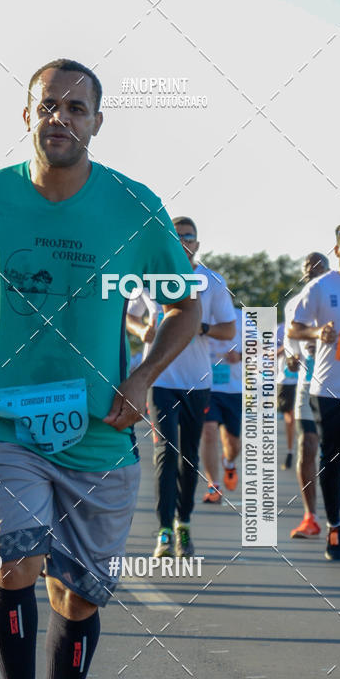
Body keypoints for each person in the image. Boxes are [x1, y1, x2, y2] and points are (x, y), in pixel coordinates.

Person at [0, 59, 200, 679]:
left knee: (76, 598)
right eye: (48, 105)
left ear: (96, 123)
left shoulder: (132, 207)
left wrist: (141, 379)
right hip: (7, 424)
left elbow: (185, 307)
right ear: (26, 115)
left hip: (97, 435)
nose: (61, 118)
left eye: (77, 108)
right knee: (15, 561)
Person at [127, 216, 235, 555]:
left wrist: (197, 327)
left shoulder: (211, 282)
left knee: (188, 457)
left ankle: (183, 524)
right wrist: (140, 329)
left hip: (197, 381)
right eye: (177, 236)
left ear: (197, 244)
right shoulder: (152, 278)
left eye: (188, 237)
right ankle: (162, 530)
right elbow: (128, 315)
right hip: (160, 379)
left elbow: (229, 331)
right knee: (165, 454)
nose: (183, 241)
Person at [289, 224, 340, 561]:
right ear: (338, 250)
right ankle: (335, 527)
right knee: (332, 457)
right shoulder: (320, 287)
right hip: (329, 388)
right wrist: (317, 332)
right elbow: (296, 327)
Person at [285, 252, 329, 538]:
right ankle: (310, 517)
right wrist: (291, 356)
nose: (311, 271)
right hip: (307, 383)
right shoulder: (293, 305)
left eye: (318, 267)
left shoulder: (339, 294)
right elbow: (290, 341)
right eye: (307, 268)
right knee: (308, 447)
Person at [200, 307, 244, 503]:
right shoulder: (198, 317)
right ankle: (214, 486)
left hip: (233, 389)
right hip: (206, 387)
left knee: (233, 443)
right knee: (208, 432)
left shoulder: (242, 318)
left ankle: (228, 462)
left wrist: (241, 356)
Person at [277, 319, 298, 469]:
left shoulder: (311, 326)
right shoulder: (280, 329)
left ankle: (301, 449)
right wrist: (287, 347)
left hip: (305, 380)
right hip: (285, 381)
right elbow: (272, 353)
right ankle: (290, 451)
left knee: (301, 417)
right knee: (290, 418)